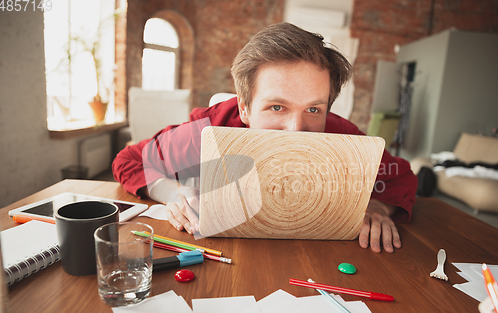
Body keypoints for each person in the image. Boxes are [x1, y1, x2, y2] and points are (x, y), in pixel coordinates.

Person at [113, 22, 417, 253]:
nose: (296, 130)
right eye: (276, 106)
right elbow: (130, 160)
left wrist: (377, 207)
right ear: (244, 108)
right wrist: (173, 193)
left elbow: (399, 176)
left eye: (313, 108)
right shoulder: (209, 129)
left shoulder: (342, 136)